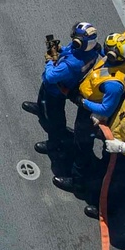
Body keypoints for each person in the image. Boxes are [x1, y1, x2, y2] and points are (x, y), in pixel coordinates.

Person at [54, 42, 125, 190]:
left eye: (109, 52)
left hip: (90, 114)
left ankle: (77, 181)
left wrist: (82, 101)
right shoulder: (118, 63)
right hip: (87, 104)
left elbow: (106, 109)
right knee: (80, 141)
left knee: (83, 145)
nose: (106, 54)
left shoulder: (114, 84)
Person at [22, 23, 100, 157]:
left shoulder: (72, 64)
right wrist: (59, 49)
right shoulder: (88, 50)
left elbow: (50, 76)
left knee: (55, 118)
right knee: (43, 100)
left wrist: (49, 61)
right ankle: (41, 109)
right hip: (54, 87)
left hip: (56, 91)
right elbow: (69, 50)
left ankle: (55, 143)